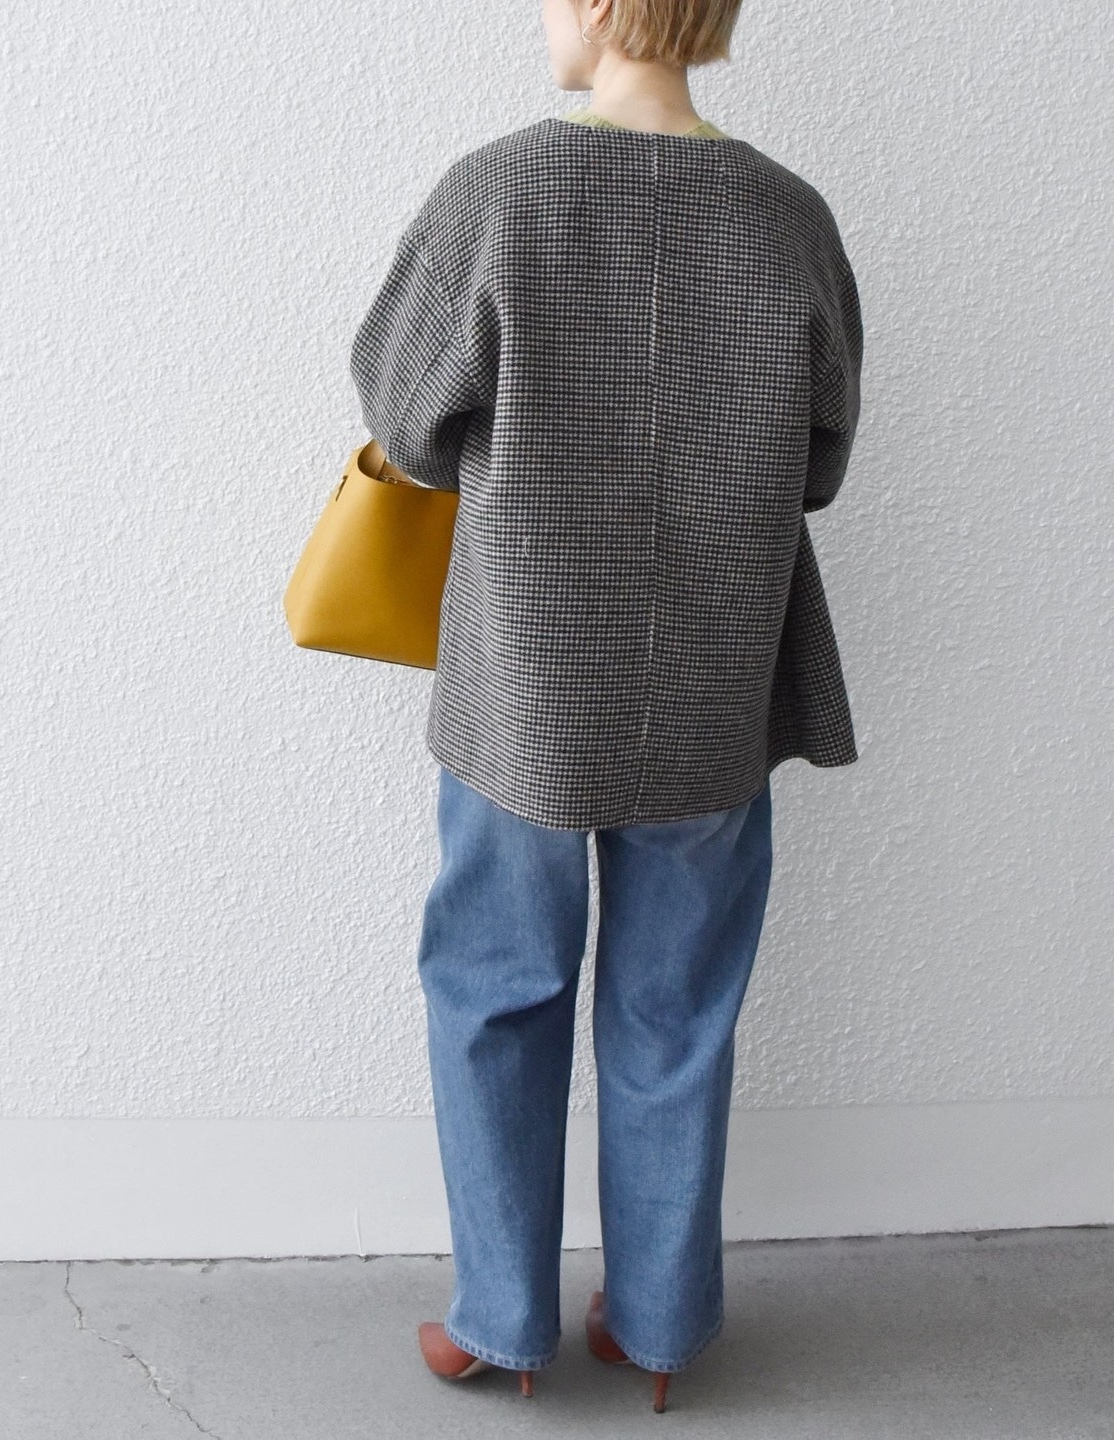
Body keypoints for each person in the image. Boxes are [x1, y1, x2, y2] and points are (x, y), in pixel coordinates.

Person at [348, 0, 864, 1414]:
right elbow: (822, 461)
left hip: (524, 680)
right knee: (677, 1009)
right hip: (713, 677)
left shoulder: (495, 192)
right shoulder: (788, 216)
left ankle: (501, 1323)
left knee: (495, 987)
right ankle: (658, 1325)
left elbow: (405, 422)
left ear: (591, 5)